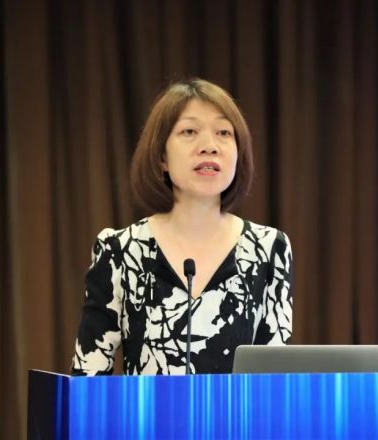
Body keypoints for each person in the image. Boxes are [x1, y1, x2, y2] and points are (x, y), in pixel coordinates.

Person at [71, 78, 293, 375]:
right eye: (189, 131)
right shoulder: (121, 251)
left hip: (238, 409)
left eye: (224, 132)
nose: (209, 147)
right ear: (161, 156)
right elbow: (88, 375)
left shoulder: (269, 248)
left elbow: (274, 381)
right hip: (146, 409)